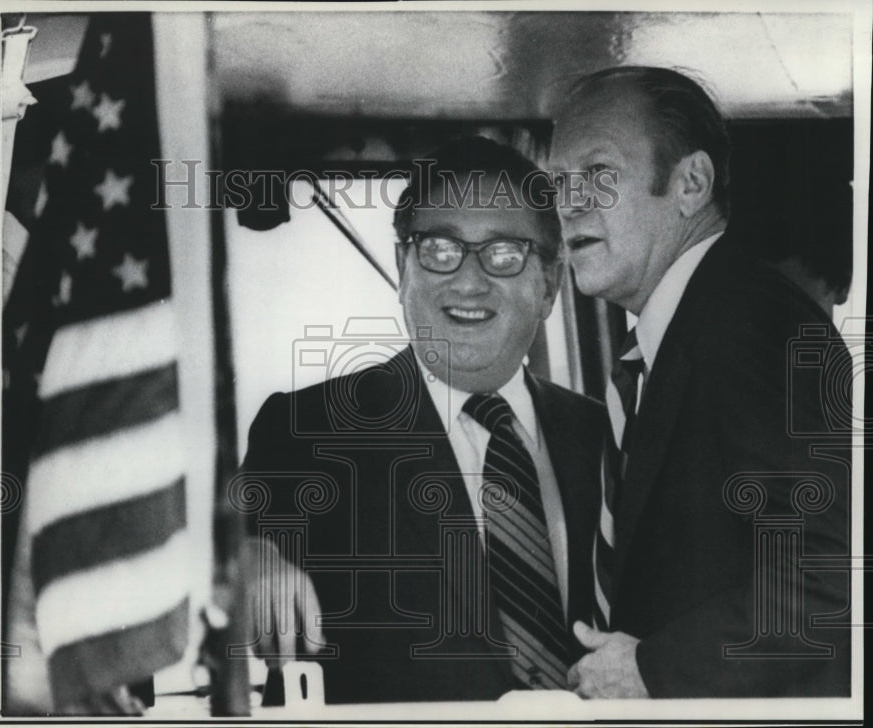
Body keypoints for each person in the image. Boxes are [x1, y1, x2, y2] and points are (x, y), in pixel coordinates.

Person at [237, 137, 604, 703]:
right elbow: (210, 554)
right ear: (403, 265)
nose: (468, 281)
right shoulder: (307, 431)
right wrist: (250, 558)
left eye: (504, 255)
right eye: (439, 249)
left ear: (551, 285)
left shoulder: (605, 439)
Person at [545, 66, 851, 698]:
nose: (569, 203)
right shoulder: (675, 339)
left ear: (691, 183)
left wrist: (654, 669)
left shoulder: (757, 325)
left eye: (599, 176)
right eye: (559, 182)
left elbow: (832, 580)